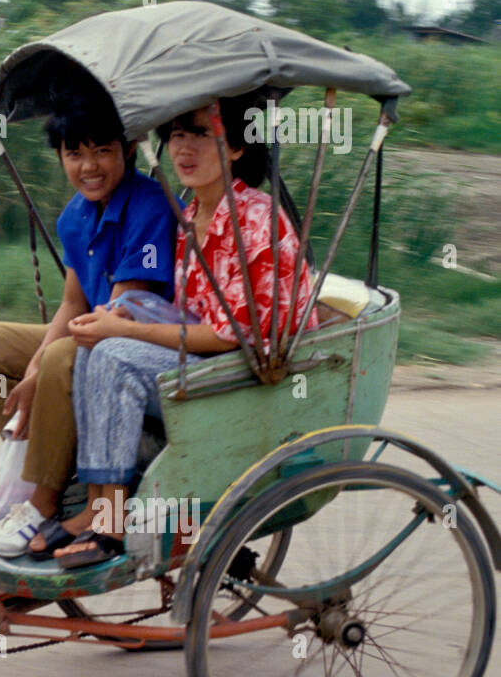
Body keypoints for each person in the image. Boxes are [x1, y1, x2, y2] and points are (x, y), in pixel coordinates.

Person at [52, 95, 318, 569]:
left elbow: (228, 336)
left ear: (235, 147)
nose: (184, 148)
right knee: (97, 346)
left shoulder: (256, 219)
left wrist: (125, 332)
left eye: (200, 133)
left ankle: (109, 521)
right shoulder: (188, 217)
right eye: (176, 134)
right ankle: (97, 502)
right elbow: (182, 314)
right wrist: (123, 321)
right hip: (205, 364)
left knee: (113, 352)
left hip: (249, 378)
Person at [0, 80, 177, 559]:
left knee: (64, 352)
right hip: (93, 334)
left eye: (102, 151)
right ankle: (31, 460)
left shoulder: (150, 205)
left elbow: (121, 309)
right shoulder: (74, 217)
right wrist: (32, 372)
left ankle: (42, 502)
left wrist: (43, 368)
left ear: (127, 150)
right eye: (74, 153)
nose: (88, 167)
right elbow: (71, 305)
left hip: (142, 344)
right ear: (59, 156)